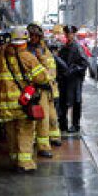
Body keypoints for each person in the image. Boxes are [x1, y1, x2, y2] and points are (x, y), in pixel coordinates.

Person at [0, 26, 49, 172]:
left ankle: (15, 159)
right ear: (25, 41)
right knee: (25, 131)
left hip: (5, 105)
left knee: (11, 132)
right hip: (22, 103)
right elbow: (42, 78)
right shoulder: (28, 57)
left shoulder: (1, 58)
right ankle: (25, 164)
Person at [26, 24, 60, 156]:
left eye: (36, 35)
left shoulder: (44, 49)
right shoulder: (29, 51)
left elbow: (51, 69)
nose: (33, 38)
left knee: (51, 116)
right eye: (31, 35)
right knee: (42, 118)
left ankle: (53, 137)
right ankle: (43, 146)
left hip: (49, 88)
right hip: (37, 88)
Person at [59, 25, 88, 133]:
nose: (68, 35)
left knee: (76, 101)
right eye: (67, 33)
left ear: (73, 34)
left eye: (70, 33)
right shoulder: (65, 46)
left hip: (74, 80)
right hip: (65, 79)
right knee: (63, 101)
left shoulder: (77, 47)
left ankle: (75, 125)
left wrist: (73, 70)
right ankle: (63, 124)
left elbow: (84, 63)